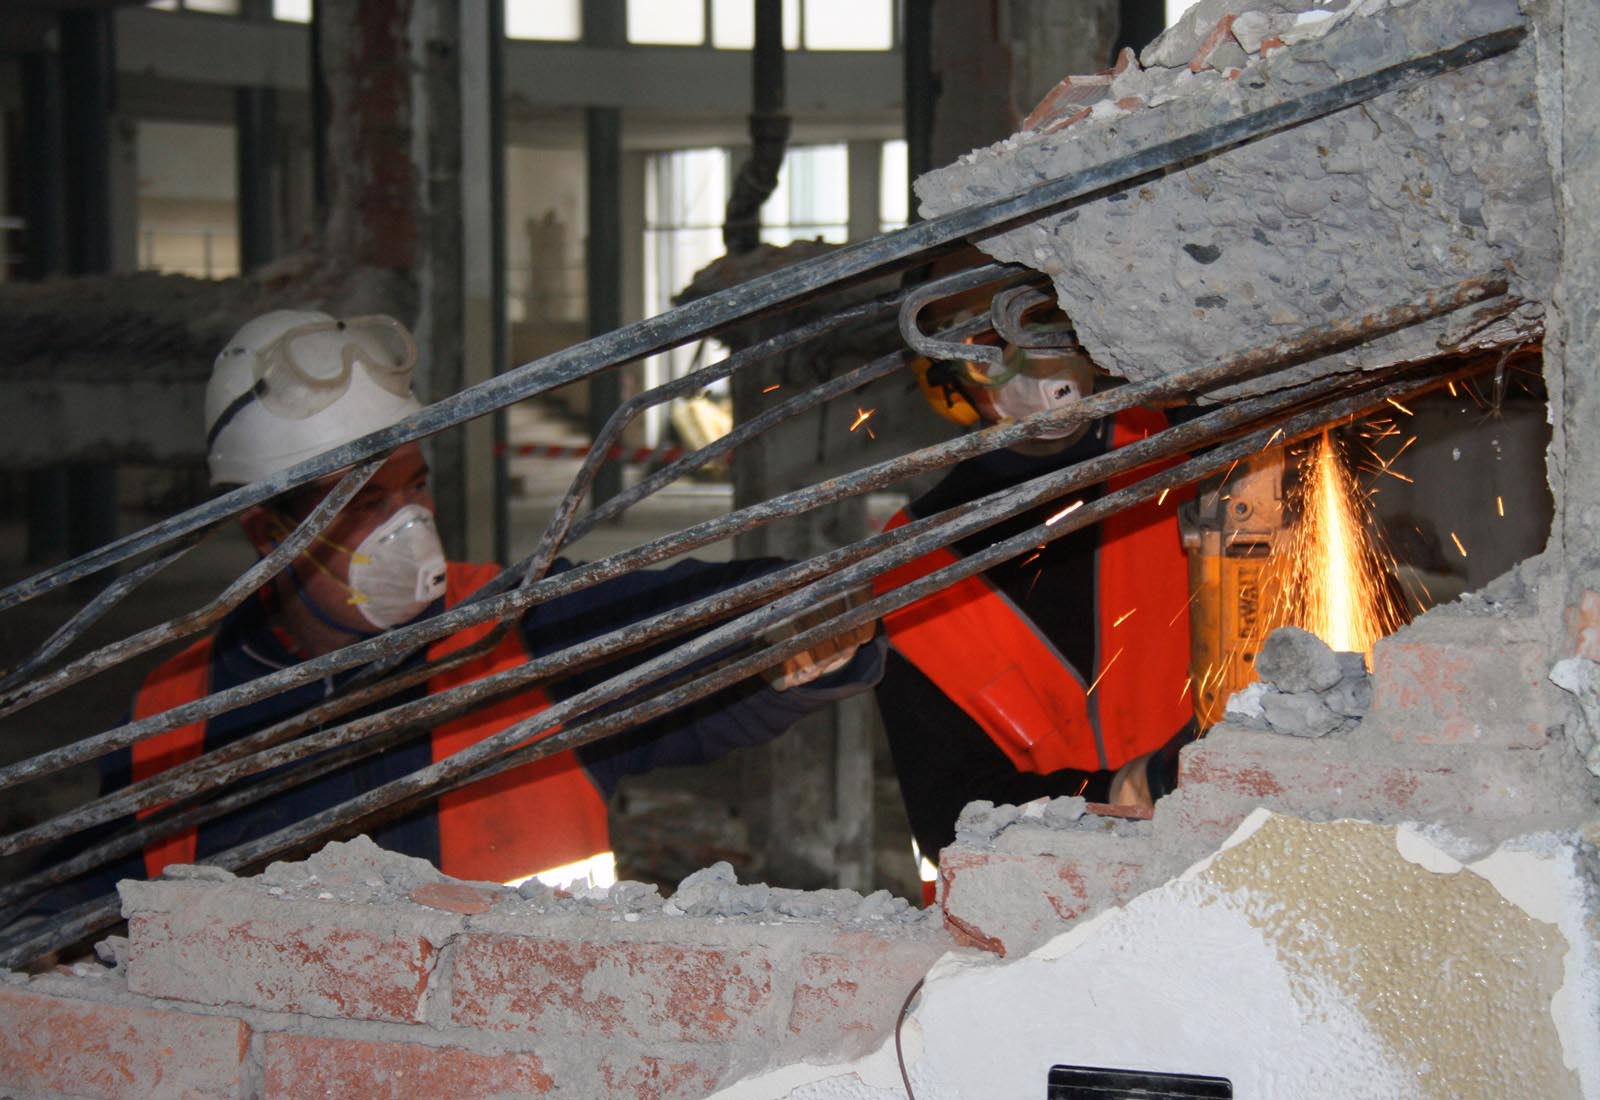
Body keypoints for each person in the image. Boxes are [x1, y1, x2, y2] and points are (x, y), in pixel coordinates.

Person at [109, 309, 882, 890]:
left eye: (414, 486)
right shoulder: (169, 718)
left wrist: (794, 615)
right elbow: (77, 920)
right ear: (264, 530)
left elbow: (683, 628)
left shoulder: (516, 632)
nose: (406, 524)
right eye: (357, 502)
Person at [873, 313, 1197, 872]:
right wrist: (1125, 791)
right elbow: (952, 823)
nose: (1033, 359)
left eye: (1044, 323)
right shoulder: (910, 572)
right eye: (992, 344)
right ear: (944, 373)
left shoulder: (1187, 447)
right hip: (1060, 914)